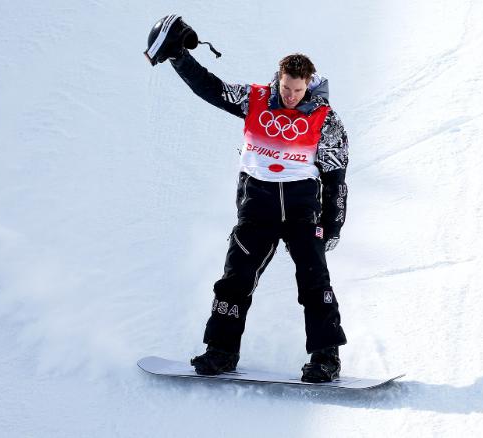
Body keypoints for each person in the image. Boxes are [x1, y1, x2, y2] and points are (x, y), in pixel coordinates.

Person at [145, 15, 349, 383]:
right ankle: (221, 352)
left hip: (303, 210)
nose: (290, 96)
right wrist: (179, 57)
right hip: (258, 207)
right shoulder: (254, 98)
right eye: (286, 87)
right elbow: (211, 88)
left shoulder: (326, 119)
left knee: (315, 283)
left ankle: (325, 358)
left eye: (297, 90)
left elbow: (336, 176)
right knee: (234, 280)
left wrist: (333, 223)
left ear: (309, 86)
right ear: (279, 79)